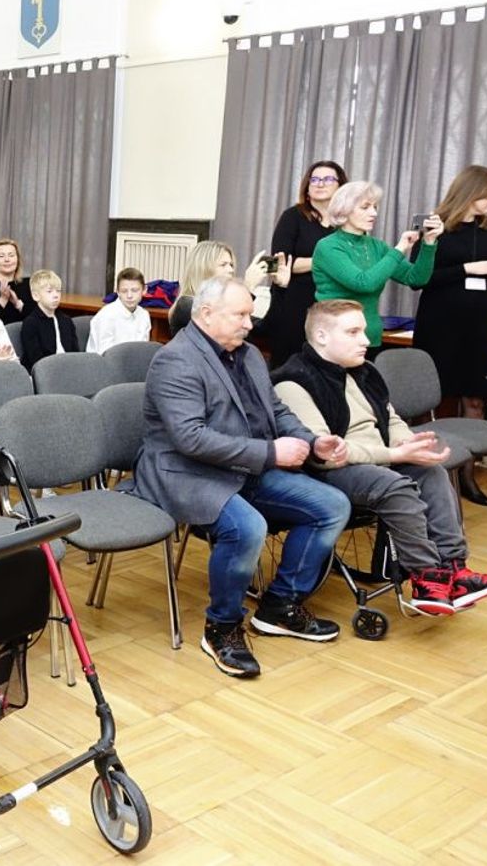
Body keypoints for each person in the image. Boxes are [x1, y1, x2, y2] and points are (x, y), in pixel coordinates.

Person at [127, 277, 351, 679]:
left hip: (242, 466)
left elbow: (276, 410)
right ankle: (222, 627)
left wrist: (311, 441)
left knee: (331, 506)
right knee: (247, 527)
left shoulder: (247, 354)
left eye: (251, 314)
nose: (250, 323)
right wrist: (271, 453)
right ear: (206, 314)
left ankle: (280, 606)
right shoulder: (175, 360)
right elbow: (190, 438)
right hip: (186, 471)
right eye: (241, 315)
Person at [273, 300, 487, 614]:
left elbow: (391, 418)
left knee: (433, 473)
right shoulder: (293, 382)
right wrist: (394, 453)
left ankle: (455, 570)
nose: (365, 340)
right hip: (330, 471)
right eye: (353, 332)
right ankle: (427, 577)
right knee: (394, 485)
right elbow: (327, 455)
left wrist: (409, 443)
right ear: (321, 336)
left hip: (377, 460)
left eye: (363, 331)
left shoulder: (364, 371)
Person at [413, 165, 487, 506]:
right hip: (439, 321)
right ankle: (428, 474)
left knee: (476, 398)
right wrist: (468, 269)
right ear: (471, 191)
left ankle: (467, 477)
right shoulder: (434, 226)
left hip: (479, 322)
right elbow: (420, 278)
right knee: (430, 399)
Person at [312, 181, 442, 355]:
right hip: (336, 338)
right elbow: (363, 283)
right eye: (365, 207)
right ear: (344, 210)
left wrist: (429, 244)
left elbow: (417, 279)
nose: (374, 213)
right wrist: (399, 249)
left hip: (370, 338)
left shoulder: (377, 246)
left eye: (375, 207)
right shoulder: (328, 246)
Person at [267, 161, 344, 366]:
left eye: (328, 179)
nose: (320, 184)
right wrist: (324, 261)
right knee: (290, 365)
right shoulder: (292, 216)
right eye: (314, 179)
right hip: (293, 303)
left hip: (332, 303)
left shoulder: (346, 222)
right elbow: (276, 263)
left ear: (340, 185)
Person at [167, 241, 281, 337]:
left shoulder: (225, 306)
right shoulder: (186, 305)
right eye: (223, 265)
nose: (231, 270)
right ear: (203, 269)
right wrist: (247, 288)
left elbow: (265, 330)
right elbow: (226, 329)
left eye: (231, 265)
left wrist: (279, 287)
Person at [19, 269, 79, 370]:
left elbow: (75, 353)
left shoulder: (66, 320)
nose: (56, 295)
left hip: (68, 368)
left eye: (58, 291)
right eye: (49, 291)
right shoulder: (31, 323)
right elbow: (36, 360)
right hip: (44, 371)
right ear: (36, 296)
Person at [85, 267, 151, 354]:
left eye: (134, 290)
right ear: (118, 292)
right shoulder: (106, 315)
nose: (129, 296)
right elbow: (105, 354)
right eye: (124, 291)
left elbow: (143, 350)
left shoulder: (144, 315)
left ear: (144, 290)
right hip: (104, 361)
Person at [0, 238, 36, 324]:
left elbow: (35, 320)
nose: (7, 259)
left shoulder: (29, 284)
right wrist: (2, 300)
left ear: (18, 260)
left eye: (11, 255)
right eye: (1, 256)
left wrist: (17, 304)